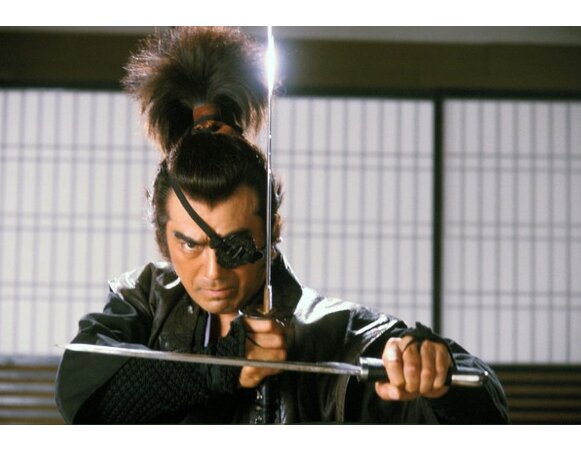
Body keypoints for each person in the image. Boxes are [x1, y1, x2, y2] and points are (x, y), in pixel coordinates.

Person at [55, 27, 509, 424]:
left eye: (234, 246)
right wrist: (220, 367)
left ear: (271, 231)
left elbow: (484, 408)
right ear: (162, 236)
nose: (213, 272)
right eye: (190, 245)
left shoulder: (333, 332)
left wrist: (431, 369)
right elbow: (81, 396)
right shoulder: (143, 302)